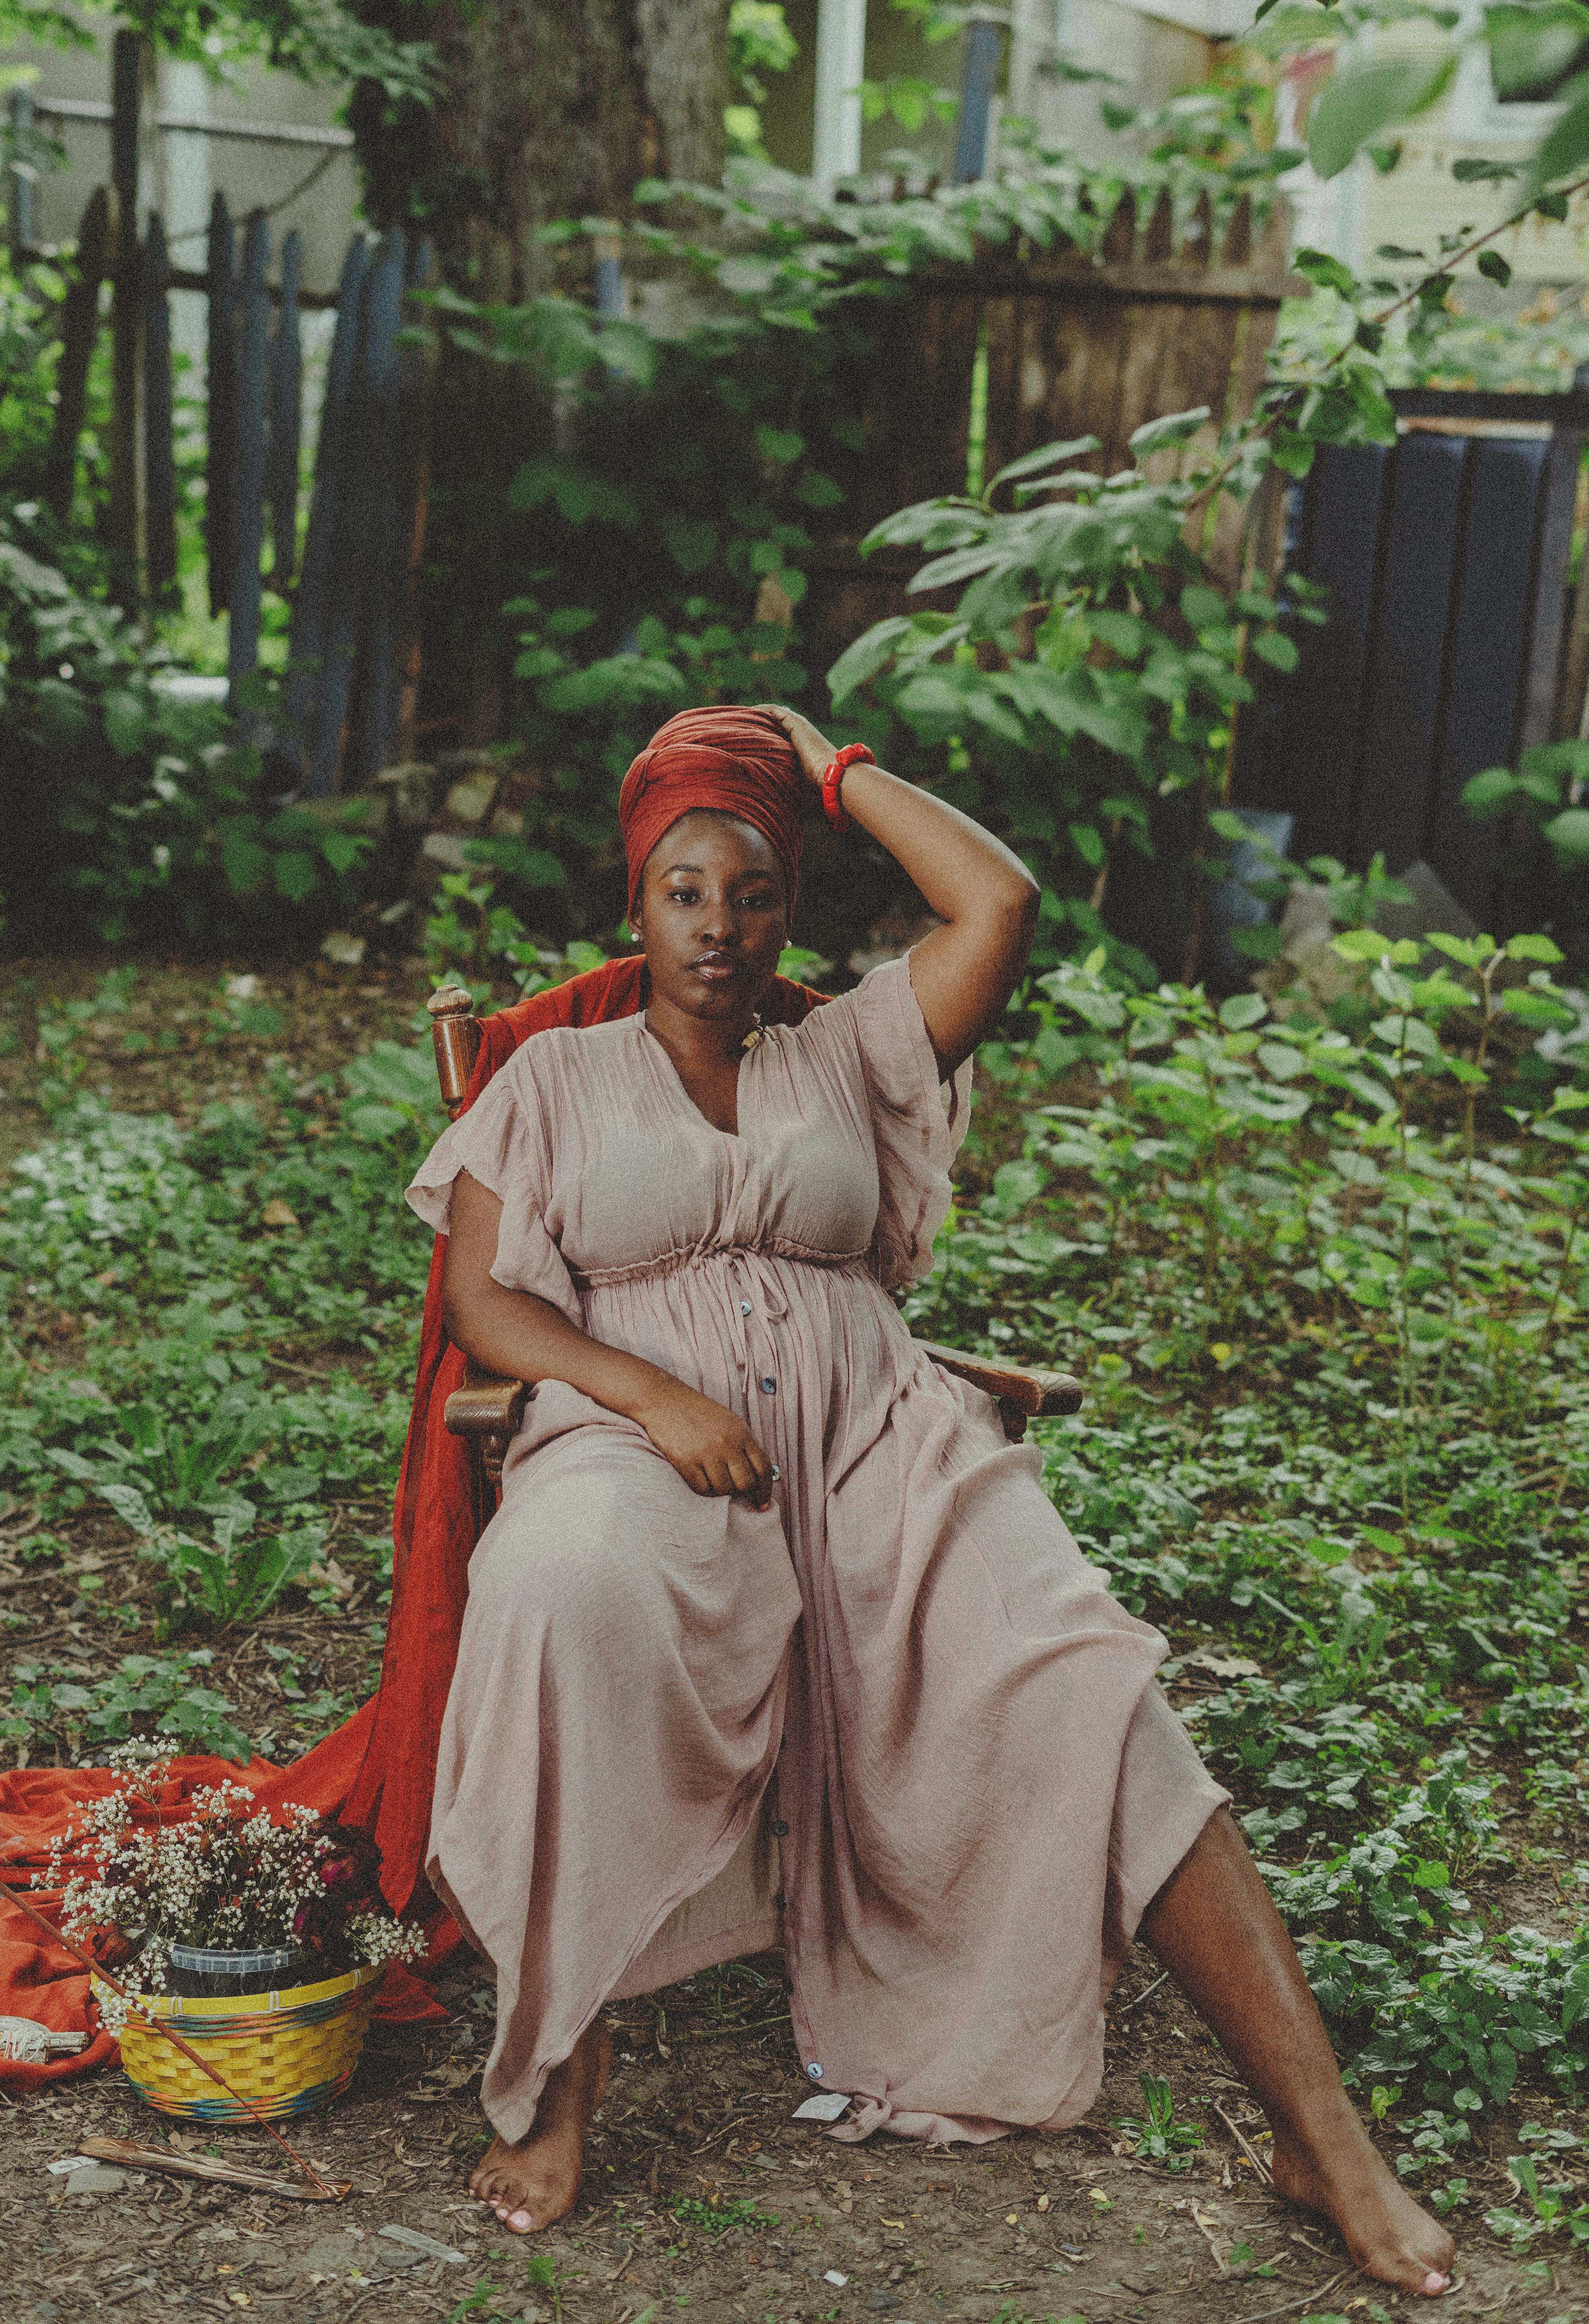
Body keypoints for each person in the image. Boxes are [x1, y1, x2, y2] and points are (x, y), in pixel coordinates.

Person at [405, 704, 1455, 2299]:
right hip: (640, 1438)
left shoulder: (851, 1052)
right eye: (684, 888)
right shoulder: (551, 1076)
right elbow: (490, 1303)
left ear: (791, 910)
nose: (717, 923)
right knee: (561, 1587)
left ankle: (1324, 2134)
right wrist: (655, 1397)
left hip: (878, 1430)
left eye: (753, 890)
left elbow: (1001, 905)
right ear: (636, 904)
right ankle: (560, 2056)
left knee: (1088, 1671)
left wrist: (830, 770)